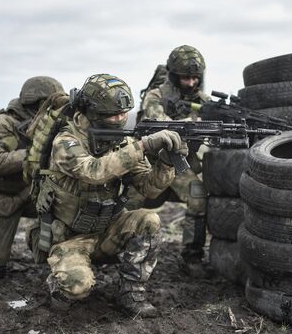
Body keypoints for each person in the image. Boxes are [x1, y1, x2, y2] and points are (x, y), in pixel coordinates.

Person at [37, 74, 186, 317]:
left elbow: (149, 188)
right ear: (93, 112)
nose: (120, 119)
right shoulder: (66, 140)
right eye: (113, 114)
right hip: (71, 238)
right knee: (77, 287)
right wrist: (143, 146)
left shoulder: (122, 142)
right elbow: (93, 172)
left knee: (149, 220)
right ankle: (59, 282)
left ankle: (131, 293)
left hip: (109, 230)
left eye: (124, 113)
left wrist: (166, 164)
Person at [0, 76, 65, 278]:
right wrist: (34, 155)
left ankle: (42, 243)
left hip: (32, 194)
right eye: (51, 105)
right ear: (37, 104)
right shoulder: (3, 124)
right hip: (0, 199)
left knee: (71, 208)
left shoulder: (53, 124)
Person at [136, 45, 211, 277]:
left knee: (199, 199)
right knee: (127, 204)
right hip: (149, 163)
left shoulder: (204, 101)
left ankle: (192, 257)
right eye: (185, 78)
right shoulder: (155, 96)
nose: (190, 83)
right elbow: (161, 125)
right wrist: (193, 122)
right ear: (173, 75)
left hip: (180, 164)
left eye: (194, 78)